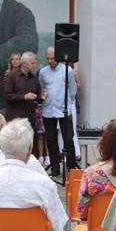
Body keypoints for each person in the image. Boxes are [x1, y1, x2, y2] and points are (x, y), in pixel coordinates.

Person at [38, 47, 78, 177]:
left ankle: (71, 169)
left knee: (68, 139)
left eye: (52, 58)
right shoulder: (43, 72)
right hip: (48, 109)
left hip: (64, 108)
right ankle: (55, 168)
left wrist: (68, 102)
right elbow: (42, 88)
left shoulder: (68, 70)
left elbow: (73, 90)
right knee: (50, 139)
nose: (50, 61)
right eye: (48, 58)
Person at [3, 52, 41, 133]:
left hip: (29, 118)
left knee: (29, 144)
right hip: (15, 118)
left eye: (35, 63)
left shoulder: (34, 78)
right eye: (32, 63)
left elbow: (37, 96)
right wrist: (24, 97)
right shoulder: (11, 76)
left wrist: (42, 97)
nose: (35, 65)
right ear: (24, 63)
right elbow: (7, 96)